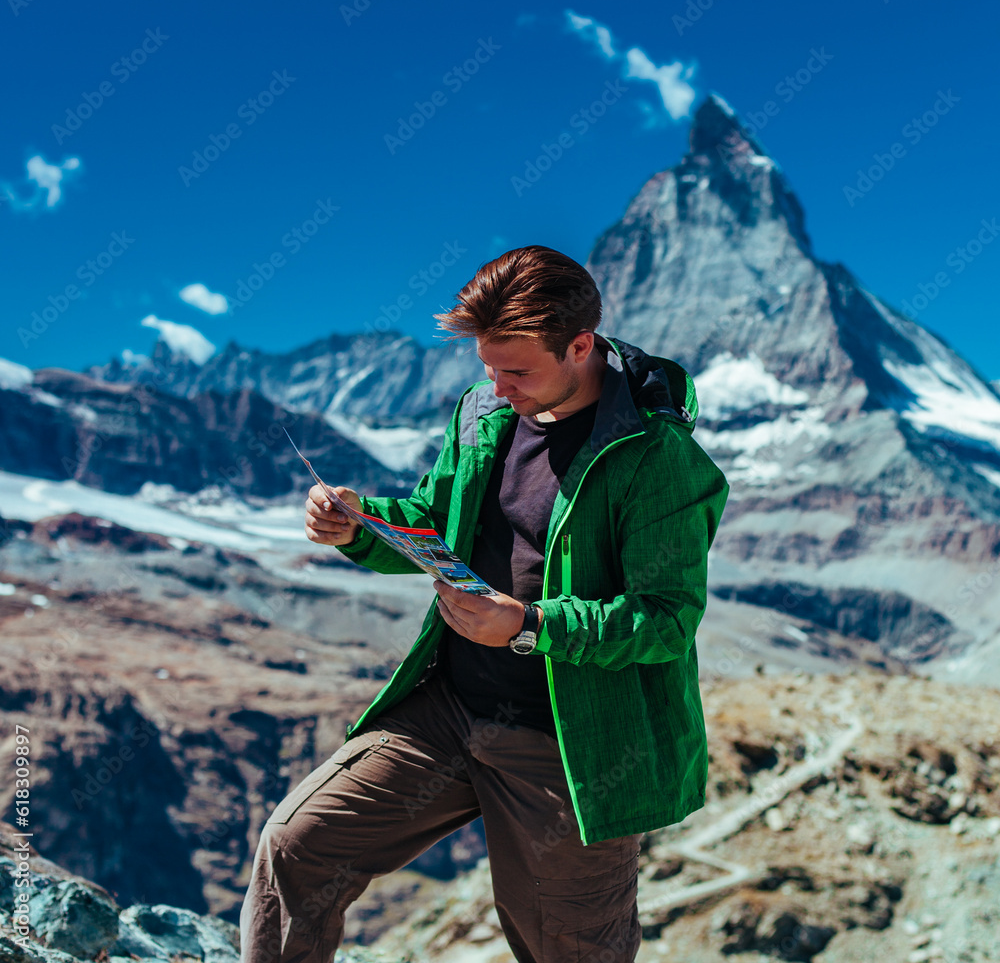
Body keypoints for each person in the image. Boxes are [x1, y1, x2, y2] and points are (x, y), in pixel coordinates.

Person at [239, 245, 729, 963]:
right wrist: (359, 522)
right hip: (450, 707)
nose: (497, 386)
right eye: (487, 366)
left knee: (569, 949)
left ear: (581, 345)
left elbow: (664, 619)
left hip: (571, 748)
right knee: (297, 848)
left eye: (517, 370)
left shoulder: (658, 460)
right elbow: (436, 522)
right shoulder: (482, 412)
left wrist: (528, 627)